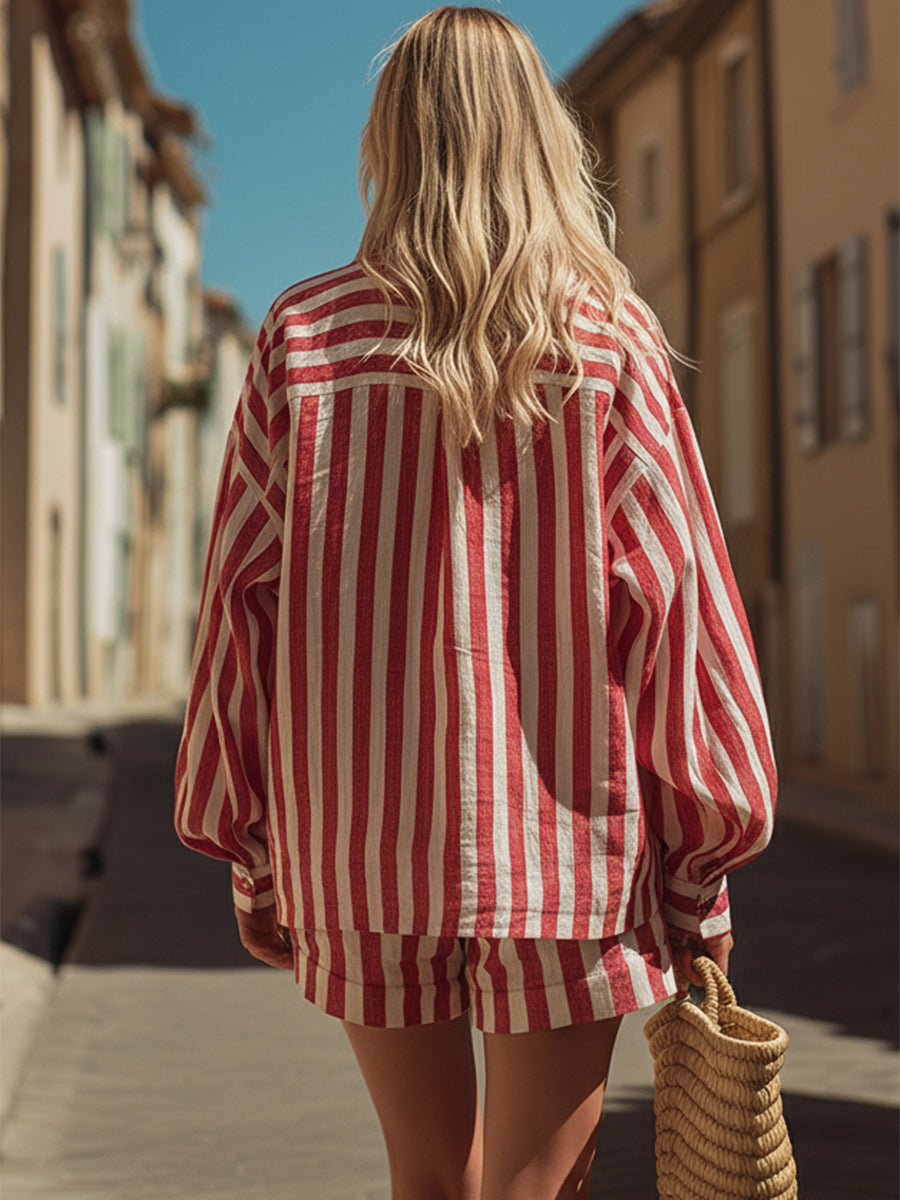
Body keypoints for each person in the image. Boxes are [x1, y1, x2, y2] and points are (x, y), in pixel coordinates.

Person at [174, 7, 778, 1197]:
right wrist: (703, 864)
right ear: (538, 136)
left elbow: (236, 614)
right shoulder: (607, 339)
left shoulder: (304, 338)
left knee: (426, 1180)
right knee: (529, 1190)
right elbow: (682, 610)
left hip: (354, 851)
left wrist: (252, 847)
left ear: (389, 141)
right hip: (566, 859)